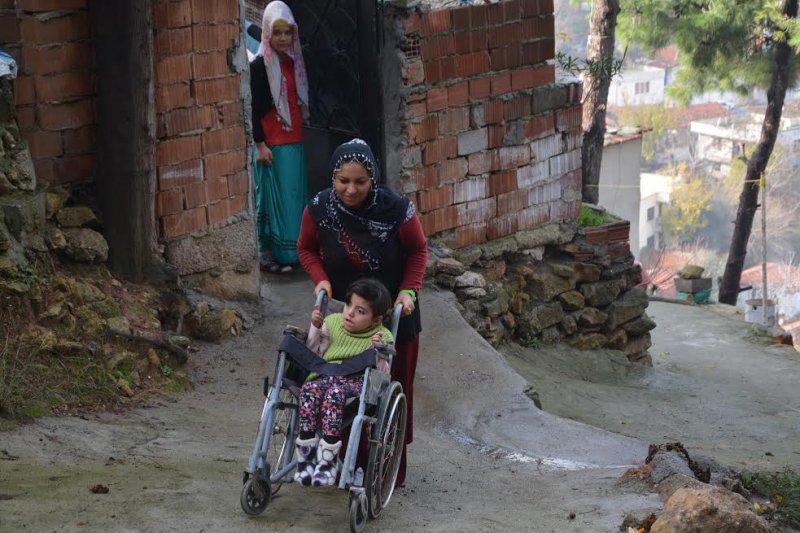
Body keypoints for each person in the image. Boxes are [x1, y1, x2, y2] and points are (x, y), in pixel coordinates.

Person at [297, 138, 428, 487]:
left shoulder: (396, 209)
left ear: (373, 179)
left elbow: (419, 251)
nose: (350, 189)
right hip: (347, 315)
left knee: (387, 392)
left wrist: (408, 290)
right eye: (342, 181)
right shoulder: (318, 209)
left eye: (360, 182)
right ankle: (338, 463)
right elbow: (306, 248)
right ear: (333, 177)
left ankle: (386, 470)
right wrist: (321, 280)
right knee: (338, 386)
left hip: (395, 314)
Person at [294, 278, 394, 487]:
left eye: (360, 311)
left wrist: (380, 351)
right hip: (326, 375)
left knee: (334, 393)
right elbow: (312, 352)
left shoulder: (382, 335)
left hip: (357, 383)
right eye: (349, 305)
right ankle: (306, 459)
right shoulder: (332, 322)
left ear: (376, 319)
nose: (349, 313)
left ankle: (327, 462)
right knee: (309, 389)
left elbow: (383, 375)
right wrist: (315, 326)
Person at [250, 1, 309, 273]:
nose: (283, 39)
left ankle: (292, 253)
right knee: (272, 202)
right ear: (267, 34)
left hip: (294, 141)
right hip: (272, 145)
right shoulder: (261, 65)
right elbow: (253, 108)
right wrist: (260, 145)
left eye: (287, 32)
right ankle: (268, 255)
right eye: (277, 33)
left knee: (293, 199)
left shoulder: (294, 63)